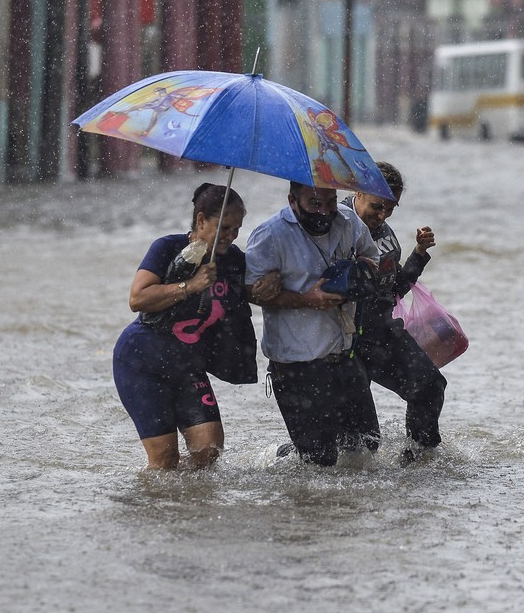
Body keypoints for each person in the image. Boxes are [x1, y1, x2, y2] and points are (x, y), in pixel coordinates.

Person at [112, 183, 278, 470]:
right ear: (201, 220)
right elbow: (138, 298)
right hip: (142, 361)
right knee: (164, 460)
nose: (231, 236)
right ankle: (153, 508)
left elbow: (250, 293)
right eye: (224, 227)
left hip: (187, 365)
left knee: (208, 450)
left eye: (237, 229)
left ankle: (186, 507)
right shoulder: (167, 247)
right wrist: (190, 285)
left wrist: (271, 285)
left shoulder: (234, 260)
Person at [246, 182, 382, 466]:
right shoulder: (269, 235)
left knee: (366, 446)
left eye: (330, 202)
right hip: (296, 364)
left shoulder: (348, 221)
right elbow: (252, 293)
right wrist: (307, 299)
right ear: (292, 201)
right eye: (315, 203)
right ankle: (282, 458)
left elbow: (373, 257)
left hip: (343, 356)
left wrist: (357, 276)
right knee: (319, 461)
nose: (325, 211)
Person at [346, 162, 447, 457]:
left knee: (429, 386)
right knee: (361, 441)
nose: (383, 215)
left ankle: (417, 459)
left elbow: (392, 291)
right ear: (358, 192)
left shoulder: (387, 236)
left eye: (391, 209)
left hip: (379, 332)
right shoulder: (335, 225)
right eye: (377, 206)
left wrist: (418, 255)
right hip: (341, 340)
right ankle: (290, 457)